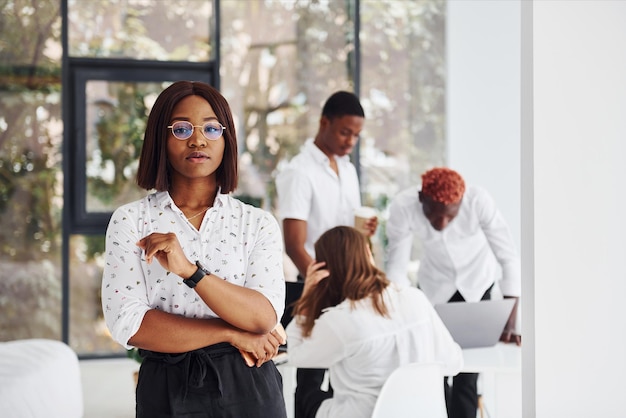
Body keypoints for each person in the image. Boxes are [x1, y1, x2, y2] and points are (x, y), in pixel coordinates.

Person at [101, 80, 287, 418]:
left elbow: (263, 316)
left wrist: (191, 271)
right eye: (182, 128)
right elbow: (129, 324)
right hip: (167, 386)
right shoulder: (132, 221)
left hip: (248, 385)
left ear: (226, 138)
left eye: (211, 128)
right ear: (161, 136)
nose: (198, 139)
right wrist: (231, 332)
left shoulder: (257, 223)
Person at [385, 166, 521, 418]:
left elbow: (508, 258)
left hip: (478, 285)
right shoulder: (404, 207)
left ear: (461, 201)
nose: (442, 223)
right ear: (421, 199)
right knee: (434, 370)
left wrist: (509, 323)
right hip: (434, 289)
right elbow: (396, 268)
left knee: (467, 375)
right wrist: (399, 315)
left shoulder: (478, 201)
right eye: (434, 215)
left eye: (450, 216)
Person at [286, 226, 463, 418]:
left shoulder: (340, 320)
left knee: (307, 386)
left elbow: (295, 354)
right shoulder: (416, 298)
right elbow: (454, 362)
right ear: (368, 255)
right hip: (423, 413)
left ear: (324, 269)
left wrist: (309, 295)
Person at [274, 91, 377, 418]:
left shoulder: (347, 169)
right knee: (313, 370)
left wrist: (365, 233)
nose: (351, 141)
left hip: (350, 282)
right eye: (345, 132)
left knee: (346, 368)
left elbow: (348, 230)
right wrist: (319, 284)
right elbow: (293, 242)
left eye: (357, 135)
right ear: (324, 122)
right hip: (318, 283)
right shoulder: (300, 172)